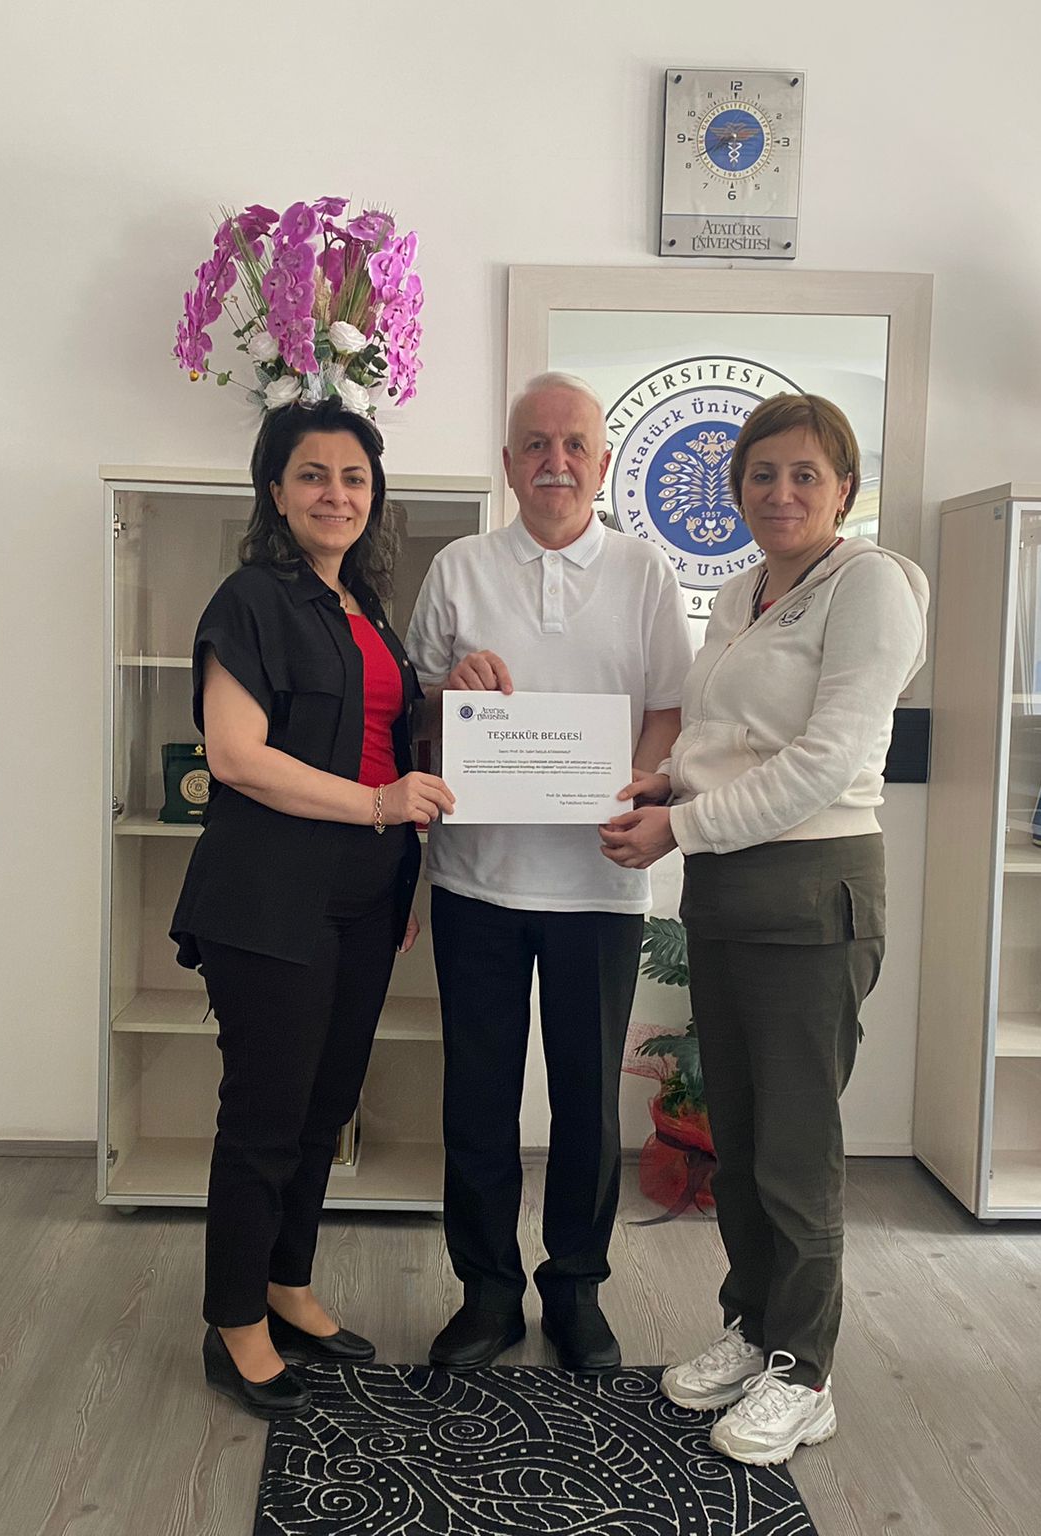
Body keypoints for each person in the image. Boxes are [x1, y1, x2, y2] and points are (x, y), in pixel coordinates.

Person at [600, 391, 928, 1464]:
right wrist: (669, 780)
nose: (779, 492)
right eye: (760, 474)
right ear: (736, 488)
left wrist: (681, 826)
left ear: (844, 489)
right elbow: (729, 732)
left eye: (804, 474)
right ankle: (753, 1328)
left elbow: (827, 759)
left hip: (811, 890)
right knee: (736, 1139)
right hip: (731, 890)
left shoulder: (869, 585)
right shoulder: (746, 590)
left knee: (794, 1146)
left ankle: (806, 1371)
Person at [169, 398, 455, 1419]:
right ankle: (233, 1320)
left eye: (354, 478)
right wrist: (380, 806)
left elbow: (384, 736)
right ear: (276, 492)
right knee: (265, 1114)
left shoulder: (365, 608)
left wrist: (459, 695)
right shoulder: (249, 600)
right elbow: (235, 757)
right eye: (314, 475)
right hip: (269, 897)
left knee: (325, 1107)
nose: (337, 494)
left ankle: (287, 1283)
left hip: (364, 897)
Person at [407, 371, 692, 1372]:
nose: (554, 462)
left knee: (585, 1105)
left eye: (574, 445)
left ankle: (575, 1289)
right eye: (535, 444)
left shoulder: (646, 574)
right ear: (507, 462)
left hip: (599, 886)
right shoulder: (458, 568)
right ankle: (485, 1294)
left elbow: (668, 709)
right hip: (476, 882)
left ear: (602, 462)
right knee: (477, 1101)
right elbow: (415, 711)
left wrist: (638, 785)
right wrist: (451, 688)